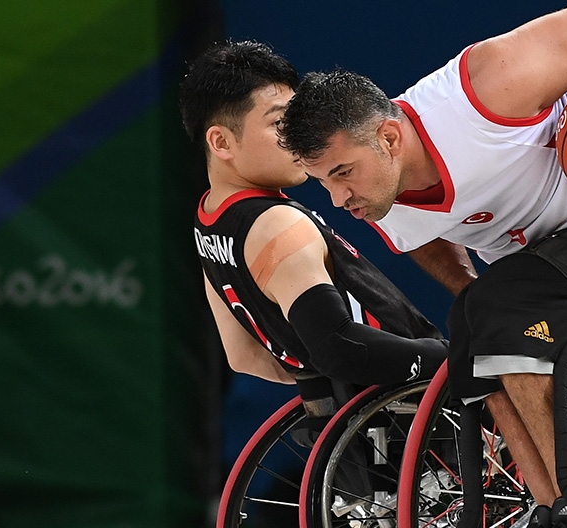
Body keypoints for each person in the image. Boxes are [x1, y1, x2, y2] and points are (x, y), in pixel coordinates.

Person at [280, 0, 567, 528]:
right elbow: (427, 238)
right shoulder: (379, 200)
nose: (338, 199)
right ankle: (558, 521)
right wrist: (467, 291)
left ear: (389, 138)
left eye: (342, 174)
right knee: (469, 327)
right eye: (322, 184)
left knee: (499, 304)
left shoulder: (481, 96)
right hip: (560, 273)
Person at [178, 40, 447, 432]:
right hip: (421, 415)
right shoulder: (276, 223)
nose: (297, 137)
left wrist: (332, 389)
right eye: (278, 123)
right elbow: (337, 347)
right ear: (221, 142)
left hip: (355, 429)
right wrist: (450, 362)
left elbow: (245, 358)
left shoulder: (208, 222)